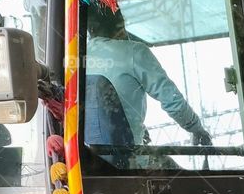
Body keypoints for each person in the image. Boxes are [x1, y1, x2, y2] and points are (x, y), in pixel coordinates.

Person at [86, 9, 212, 149]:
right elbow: (172, 100)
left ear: (90, 29)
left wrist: (134, 125)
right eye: (120, 27)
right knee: (175, 169)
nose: (125, 34)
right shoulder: (134, 51)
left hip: (87, 158)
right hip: (127, 160)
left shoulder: (78, 58)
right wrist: (197, 129)